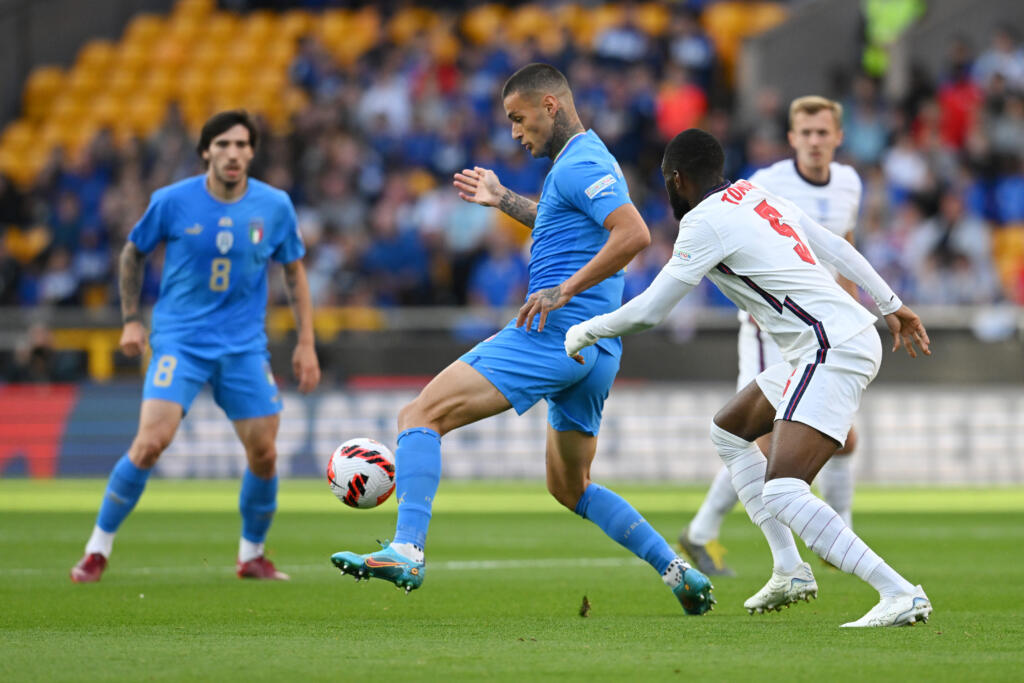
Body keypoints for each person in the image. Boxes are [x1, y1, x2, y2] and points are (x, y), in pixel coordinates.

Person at [330, 63, 715, 615]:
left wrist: (564, 290)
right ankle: (677, 571)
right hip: (596, 349)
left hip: (552, 335)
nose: (515, 131)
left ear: (550, 106)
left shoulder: (581, 162)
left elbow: (635, 234)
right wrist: (503, 198)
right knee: (571, 487)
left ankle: (406, 549)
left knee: (418, 417)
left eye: (519, 118)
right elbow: (566, 225)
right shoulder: (582, 163)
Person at [565, 128, 932, 627]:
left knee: (784, 490)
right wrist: (892, 305)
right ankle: (789, 569)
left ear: (677, 180)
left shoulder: (702, 223)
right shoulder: (757, 196)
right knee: (730, 430)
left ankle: (899, 592)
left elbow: (652, 310)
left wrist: (583, 331)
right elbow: (834, 248)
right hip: (828, 343)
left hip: (831, 347)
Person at [70, 110, 321, 583]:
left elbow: (294, 270)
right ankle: (96, 549)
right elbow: (133, 251)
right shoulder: (172, 201)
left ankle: (252, 555)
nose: (234, 154)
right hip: (181, 341)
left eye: (243, 145)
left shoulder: (274, 206)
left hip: (244, 346)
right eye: (224, 144)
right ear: (206, 150)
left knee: (265, 452)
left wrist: (306, 342)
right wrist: (129, 320)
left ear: (252, 153)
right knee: (150, 443)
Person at [678, 96, 864, 576]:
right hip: (772, 330)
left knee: (841, 437)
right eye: (806, 133)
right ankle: (711, 533)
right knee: (762, 441)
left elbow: (843, 245)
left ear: (838, 138)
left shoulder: (849, 183)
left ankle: (708, 531)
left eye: (823, 133)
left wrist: (847, 306)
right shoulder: (766, 185)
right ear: (792, 138)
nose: (815, 142)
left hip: (826, 329)